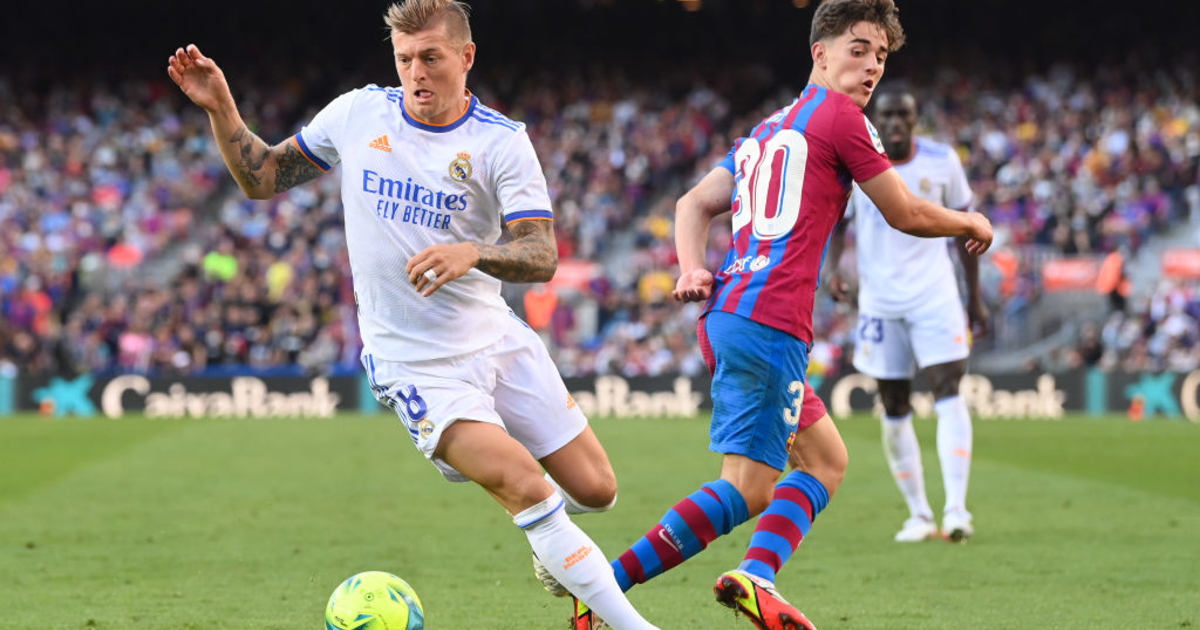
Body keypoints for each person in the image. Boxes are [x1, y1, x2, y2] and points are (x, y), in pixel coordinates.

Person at [166, 2, 659, 629]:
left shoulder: (501, 142)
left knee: (596, 490)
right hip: (415, 364)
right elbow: (262, 177)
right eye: (404, 59)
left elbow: (542, 255)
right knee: (527, 487)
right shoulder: (358, 114)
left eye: (431, 57)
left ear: (466, 56)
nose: (416, 73)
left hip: (495, 339)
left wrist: (475, 251)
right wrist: (222, 108)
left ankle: (552, 543)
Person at [537, 2, 992, 629]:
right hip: (769, 321)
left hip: (732, 313)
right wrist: (969, 221)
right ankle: (601, 588)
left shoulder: (767, 129)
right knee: (748, 486)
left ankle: (752, 575)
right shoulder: (843, 118)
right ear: (820, 53)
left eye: (882, 56)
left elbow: (692, 203)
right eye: (859, 49)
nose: (872, 67)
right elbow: (904, 212)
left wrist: (691, 268)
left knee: (825, 460)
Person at [825, 85, 988, 543]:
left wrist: (974, 298)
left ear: (915, 119)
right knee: (894, 404)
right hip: (879, 303)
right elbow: (838, 222)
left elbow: (967, 231)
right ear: (876, 120)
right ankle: (919, 514)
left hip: (936, 296)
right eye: (888, 116)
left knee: (949, 392)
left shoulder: (943, 160)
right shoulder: (858, 162)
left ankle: (956, 510)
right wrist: (833, 270)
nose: (896, 123)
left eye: (904, 115)